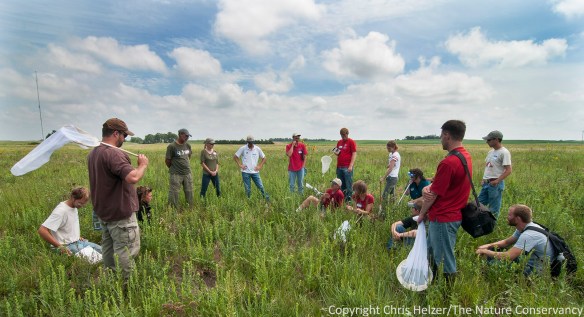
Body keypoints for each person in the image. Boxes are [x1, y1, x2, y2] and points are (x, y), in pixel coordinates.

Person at [88, 118, 148, 283]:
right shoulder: (114, 154)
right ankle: (126, 288)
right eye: (124, 135)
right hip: (120, 213)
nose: (125, 139)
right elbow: (133, 177)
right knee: (126, 252)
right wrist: (142, 165)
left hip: (105, 212)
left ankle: (111, 280)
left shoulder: (94, 152)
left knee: (108, 249)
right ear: (116, 133)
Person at [418, 120, 471, 281]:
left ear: (447, 135)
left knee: (445, 258)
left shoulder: (448, 163)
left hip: (443, 217)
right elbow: (440, 186)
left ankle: (447, 295)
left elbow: (432, 196)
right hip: (453, 214)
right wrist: (429, 187)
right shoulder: (465, 156)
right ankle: (429, 282)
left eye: (441, 135)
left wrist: (421, 214)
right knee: (431, 251)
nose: (440, 139)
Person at [476, 204, 554, 276]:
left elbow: (508, 256)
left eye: (509, 215)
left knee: (492, 265)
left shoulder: (528, 235)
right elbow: (506, 242)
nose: (507, 217)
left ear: (518, 219)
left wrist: (485, 251)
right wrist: (489, 246)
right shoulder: (525, 227)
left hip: (535, 270)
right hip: (528, 260)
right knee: (493, 250)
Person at [38, 187, 102, 255]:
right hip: (66, 246)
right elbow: (42, 230)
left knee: (104, 251)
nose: (82, 206)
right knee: (96, 258)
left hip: (78, 242)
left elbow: (68, 226)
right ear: (73, 198)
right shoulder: (61, 211)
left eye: (83, 204)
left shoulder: (74, 207)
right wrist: (60, 247)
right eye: (80, 203)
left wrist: (75, 236)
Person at [478, 130, 512, 219]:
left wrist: (497, 181)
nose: (487, 142)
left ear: (496, 140)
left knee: (494, 208)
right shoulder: (490, 152)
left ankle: (492, 226)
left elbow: (508, 170)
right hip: (486, 183)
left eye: (489, 140)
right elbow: (488, 166)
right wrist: (484, 179)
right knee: (478, 204)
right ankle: (480, 223)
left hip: (495, 184)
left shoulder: (504, 152)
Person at [233, 135, 269, 200]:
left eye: (251, 142)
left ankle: (267, 199)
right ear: (247, 142)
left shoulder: (257, 149)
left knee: (261, 186)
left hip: (255, 172)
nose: (250, 144)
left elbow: (264, 158)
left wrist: (260, 166)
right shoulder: (243, 148)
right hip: (245, 172)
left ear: (253, 142)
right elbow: (235, 157)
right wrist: (240, 165)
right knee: (247, 189)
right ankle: (248, 200)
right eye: (249, 142)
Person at [165, 128, 193, 208]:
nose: (187, 138)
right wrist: (174, 167)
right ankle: (173, 209)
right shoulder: (172, 146)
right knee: (174, 192)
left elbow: (189, 156)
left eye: (188, 136)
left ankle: (190, 207)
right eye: (186, 136)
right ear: (180, 134)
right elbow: (167, 160)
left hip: (187, 173)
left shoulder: (188, 145)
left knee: (189, 191)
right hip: (176, 174)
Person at [333, 127, 357, 202]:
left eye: (344, 135)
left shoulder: (351, 142)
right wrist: (335, 151)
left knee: (348, 184)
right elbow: (338, 153)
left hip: (347, 167)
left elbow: (354, 153)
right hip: (339, 167)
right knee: (340, 184)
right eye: (342, 135)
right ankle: (342, 198)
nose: (343, 136)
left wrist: (351, 165)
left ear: (347, 134)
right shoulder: (339, 142)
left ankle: (349, 200)